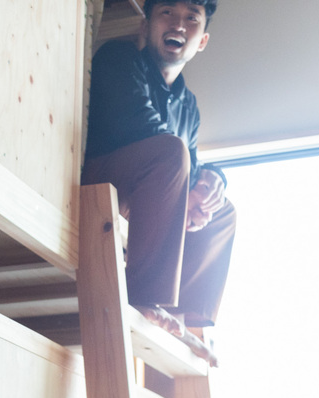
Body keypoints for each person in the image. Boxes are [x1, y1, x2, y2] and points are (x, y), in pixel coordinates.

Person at [82, 0, 236, 366]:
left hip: (155, 196)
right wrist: (187, 189)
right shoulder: (119, 59)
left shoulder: (189, 106)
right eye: (167, 13)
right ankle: (145, 296)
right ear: (145, 25)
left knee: (223, 211)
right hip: (105, 185)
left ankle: (186, 316)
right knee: (170, 152)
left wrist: (211, 183)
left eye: (191, 18)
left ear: (202, 40)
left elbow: (190, 164)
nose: (179, 25)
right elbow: (140, 128)